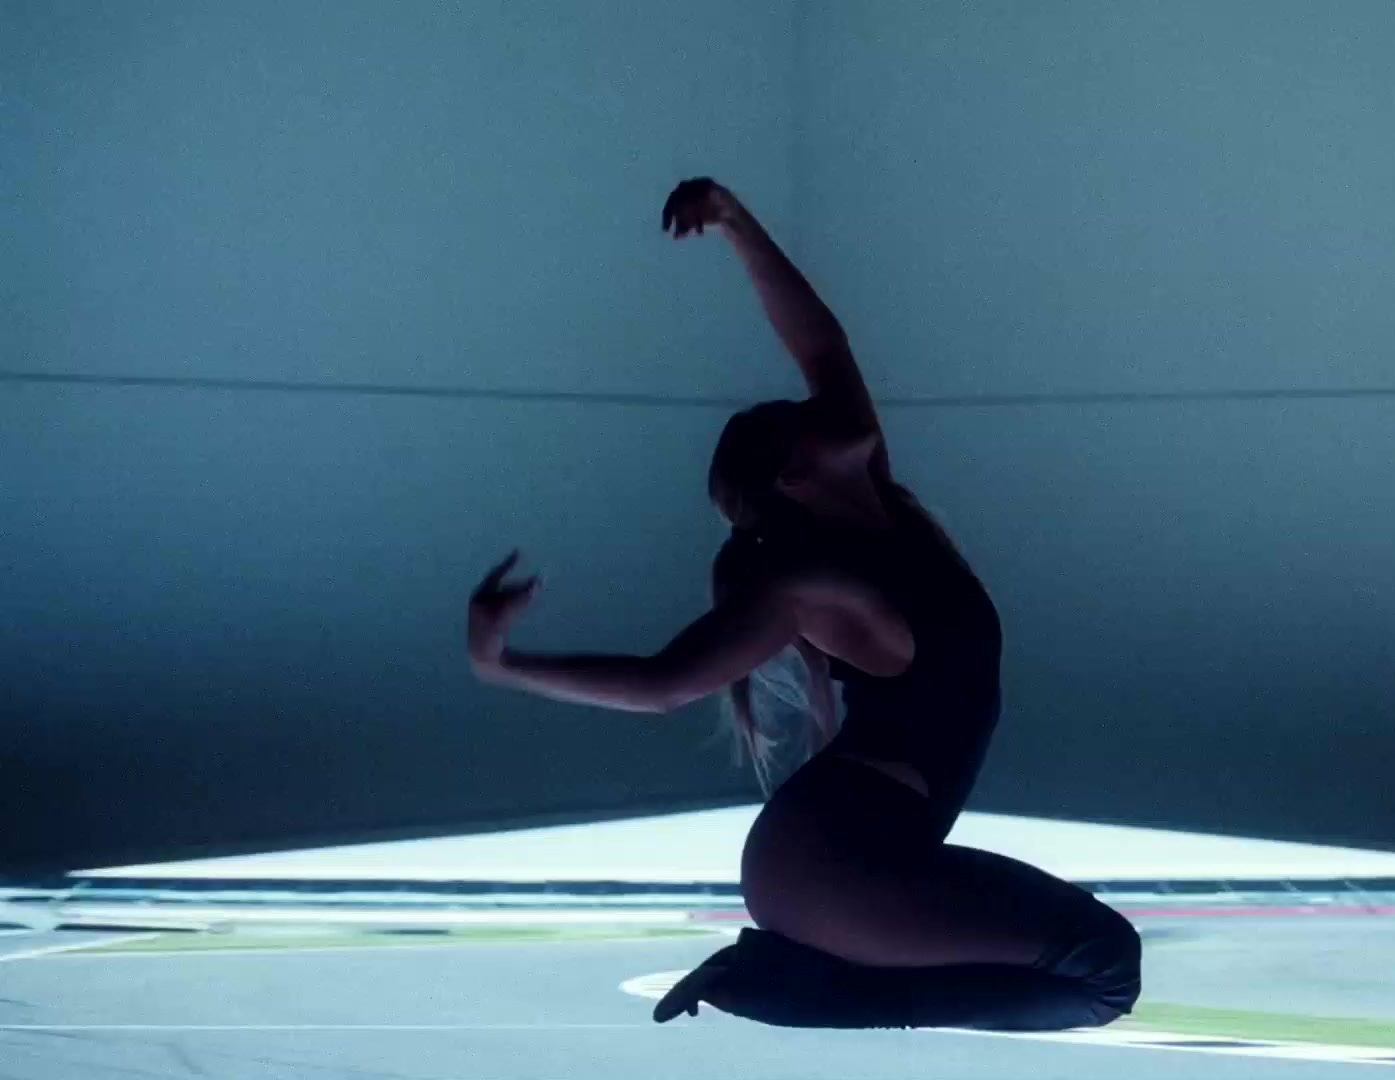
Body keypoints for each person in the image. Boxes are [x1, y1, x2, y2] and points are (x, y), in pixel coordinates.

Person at [464, 178, 1141, 1032]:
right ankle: (782, 983)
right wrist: (502, 663)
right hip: (831, 863)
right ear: (794, 475)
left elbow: (821, 343)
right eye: (802, 418)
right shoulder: (819, 584)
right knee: (1102, 969)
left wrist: (735, 222)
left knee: (1099, 968)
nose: (828, 404)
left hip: (849, 851)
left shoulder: (881, 507)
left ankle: (788, 979)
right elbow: (661, 683)